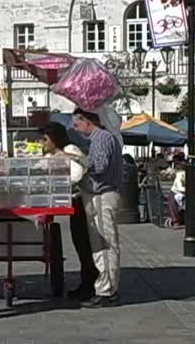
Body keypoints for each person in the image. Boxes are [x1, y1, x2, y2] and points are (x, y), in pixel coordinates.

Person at [39, 122, 97, 301]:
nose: (43, 143)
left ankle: (90, 283)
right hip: (71, 203)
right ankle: (86, 281)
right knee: (78, 241)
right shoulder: (51, 155)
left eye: (45, 139)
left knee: (84, 242)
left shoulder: (70, 150)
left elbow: (77, 174)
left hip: (81, 202)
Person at [72, 107, 123, 308]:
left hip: (102, 194)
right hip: (102, 194)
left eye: (77, 124)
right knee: (101, 243)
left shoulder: (101, 138)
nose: (76, 129)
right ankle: (106, 286)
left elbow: (99, 166)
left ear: (86, 120)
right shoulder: (101, 138)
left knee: (103, 244)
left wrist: (79, 161)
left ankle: (107, 290)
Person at [167, 157, 186, 228]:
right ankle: (176, 221)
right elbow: (179, 187)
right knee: (172, 201)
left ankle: (178, 220)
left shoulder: (184, 173)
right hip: (175, 192)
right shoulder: (180, 174)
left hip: (183, 192)